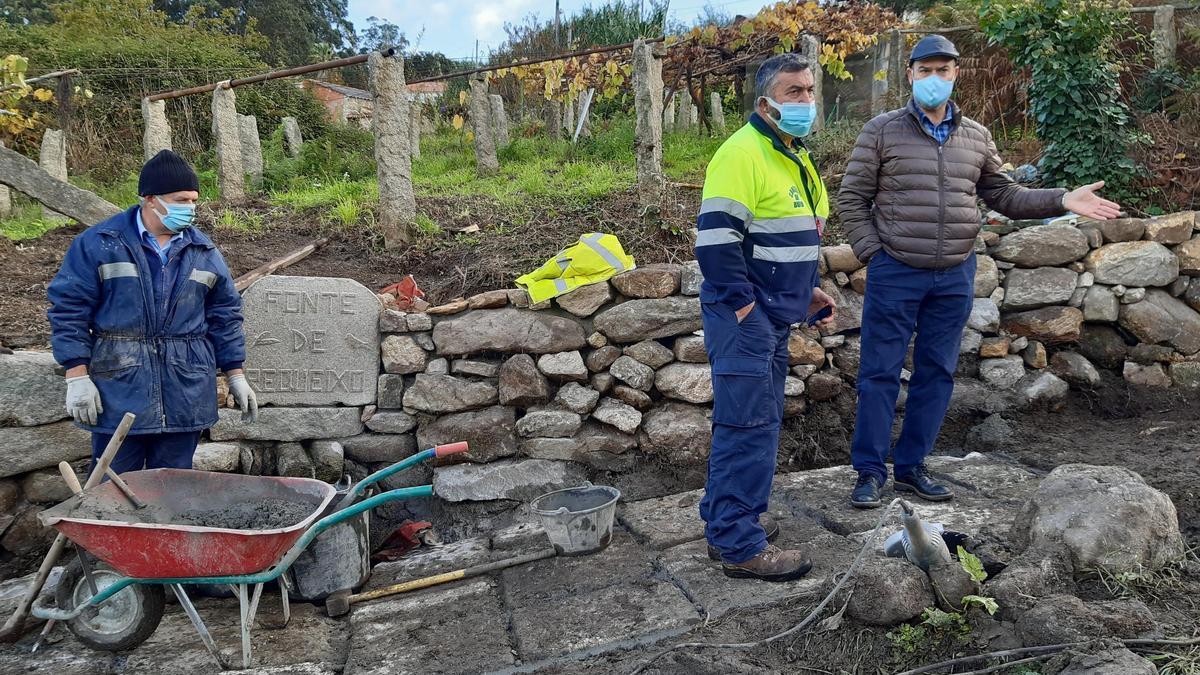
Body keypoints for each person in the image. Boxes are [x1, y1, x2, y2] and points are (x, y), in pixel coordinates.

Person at [837, 35, 1121, 509]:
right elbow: (851, 198)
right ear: (909, 74)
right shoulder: (881, 131)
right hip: (896, 272)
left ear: (955, 75)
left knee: (938, 373)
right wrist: (874, 255)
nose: (934, 79)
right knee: (879, 374)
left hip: (953, 274)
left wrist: (1061, 199)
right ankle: (868, 471)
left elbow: (1004, 195)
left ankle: (912, 467)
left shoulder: (976, 136)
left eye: (943, 70)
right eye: (925, 70)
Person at [695, 53, 838, 582]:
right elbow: (715, 241)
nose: (805, 100)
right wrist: (746, 305)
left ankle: (728, 519)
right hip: (744, 319)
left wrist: (807, 293)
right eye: (794, 92)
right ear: (766, 103)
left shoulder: (792, 156)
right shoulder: (742, 153)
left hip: (771, 314)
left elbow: (778, 243)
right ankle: (738, 544)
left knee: (757, 423)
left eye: (809, 90)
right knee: (747, 427)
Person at [48, 149, 258, 473]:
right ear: (150, 199)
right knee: (114, 491)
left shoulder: (204, 252)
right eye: (180, 200)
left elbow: (225, 316)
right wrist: (77, 377)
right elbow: (69, 310)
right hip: (119, 390)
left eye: (193, 200)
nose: (189, 209)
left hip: (185, 392)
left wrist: (236, 375)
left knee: (173, 492)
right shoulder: (100, 244)